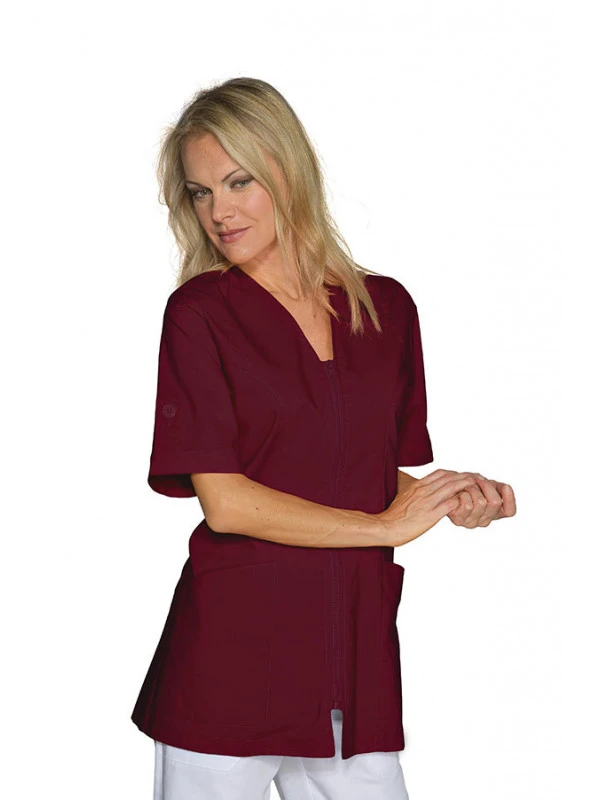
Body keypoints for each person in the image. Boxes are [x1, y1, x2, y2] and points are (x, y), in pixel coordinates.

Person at [130, 76, 517, 800]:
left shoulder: (386, 308)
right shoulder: (199, 314)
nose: (219, 211)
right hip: (229, 669)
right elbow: (227, 504)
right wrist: (384, 526)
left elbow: (368, 471)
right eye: (200, 192)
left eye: (238, 181)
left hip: (351, 669)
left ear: (288, 168)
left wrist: (450, 497)